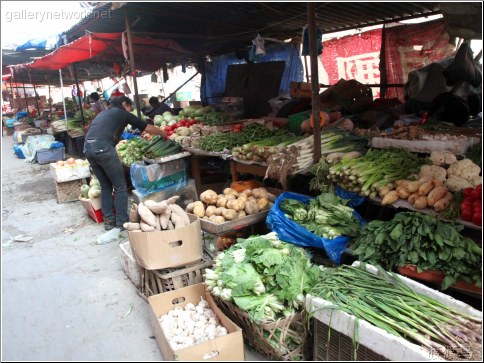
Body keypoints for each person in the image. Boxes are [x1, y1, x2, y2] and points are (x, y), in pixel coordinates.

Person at [83, 96, 166, 231]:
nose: (130, 109)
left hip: (88, 148)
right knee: (120, 186)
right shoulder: (122, 113)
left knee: (105, 186)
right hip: (103, 149)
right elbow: (147, 128)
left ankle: (109, 221)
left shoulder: (103, 113)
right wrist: (162, 133)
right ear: (123, 104)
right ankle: (121, 221)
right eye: (129, 106)